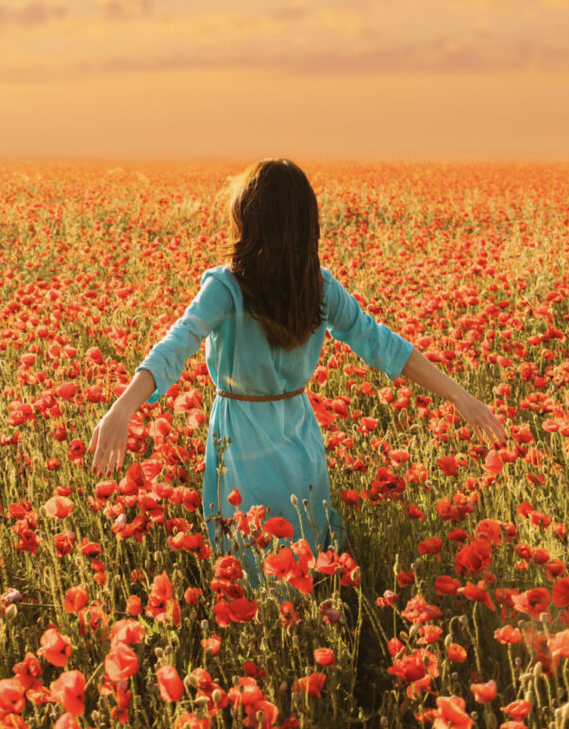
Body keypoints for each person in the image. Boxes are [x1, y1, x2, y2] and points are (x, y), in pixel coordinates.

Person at [85, 157, 507, 592]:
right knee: (302, 564)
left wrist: (123, 406)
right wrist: (460, 396)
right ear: (307, 225)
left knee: (251, 566)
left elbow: (177, 345)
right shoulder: (318, 288)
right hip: (298, 435)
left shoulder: (229, 287)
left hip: (241, 436)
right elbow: (383, 345)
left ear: (250, 222)